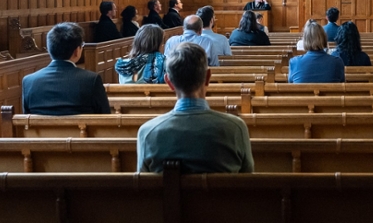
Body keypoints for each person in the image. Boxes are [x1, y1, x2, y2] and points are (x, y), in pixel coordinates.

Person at [137, 42, 254, 174]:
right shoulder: (235, 128)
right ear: (208, 77)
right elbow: (247, 183)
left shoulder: (148, 133)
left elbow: (143, 189)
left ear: (169, 82)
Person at [22, 22, 111, 115]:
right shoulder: (91, 80)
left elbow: (27, 122)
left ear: (49, 49)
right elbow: (105, 117)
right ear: (77, 51)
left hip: (41, 130)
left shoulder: (28, 82)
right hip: (80, 129)